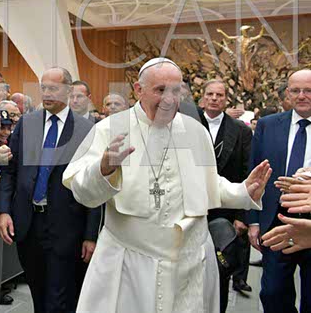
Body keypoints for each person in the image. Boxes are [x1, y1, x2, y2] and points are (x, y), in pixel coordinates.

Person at [62, 57, 271, 313]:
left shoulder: (195, 131)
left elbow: (207, 183)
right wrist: (103, 168)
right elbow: (81, 191)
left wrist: (243, 192)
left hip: (190, 260)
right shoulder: (110, 128)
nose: (169, 99)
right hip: (131, 262)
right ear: (138, 90)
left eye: (175, 91)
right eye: (160, 90)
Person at [0, 67, 101, 313]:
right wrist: (4, 211)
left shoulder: (86, 129)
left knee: (59, 297)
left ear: (68, 90)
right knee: (38, 292)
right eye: (43, 88)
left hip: (66, 226)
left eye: (53, 88)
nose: (46, 93)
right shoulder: (27, 123)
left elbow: (93, 185)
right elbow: (10, 171)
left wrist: (90, 235)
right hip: (29, 224)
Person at [249, 69, 311, 312]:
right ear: (287, 94)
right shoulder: (268, 125)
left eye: (308, 90)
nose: (302, 95)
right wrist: (253, 220)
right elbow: (254, 175)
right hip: (276, 221)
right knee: (273, 294)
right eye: (296, 90)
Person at [199, 79, 254, 310]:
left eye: (219, 95)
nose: (214, 98)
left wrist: (242, 215)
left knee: (221, 270)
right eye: (210, 94)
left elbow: (246, 173)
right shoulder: (187, 124)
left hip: (225, 212)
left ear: (226, 100)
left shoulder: (240, 130)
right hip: (191, 209)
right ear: (202, 98)